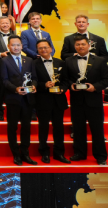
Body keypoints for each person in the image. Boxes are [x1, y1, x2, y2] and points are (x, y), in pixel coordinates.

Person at [64, 34, 108, 165]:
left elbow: (106, 80)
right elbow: (66, 79)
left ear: (89, 45)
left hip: (94, 101)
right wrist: (71, 86)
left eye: (83, 44)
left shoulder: (100, 60)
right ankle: (79, 153)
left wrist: (95, 87)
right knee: (78, 129)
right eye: (77, 44)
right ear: (74, 46)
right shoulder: (68, 61)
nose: (80, 46)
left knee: (97, 130)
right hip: (77, 100)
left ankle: (101, 156)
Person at [0, 35, 39, 165]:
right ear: (8, 46)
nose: (16, 47)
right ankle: (16, 154)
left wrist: (34, 86)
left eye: (18, 45)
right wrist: (15, 89)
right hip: (13, 98)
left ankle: (25, 153)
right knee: (12, 127)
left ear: (22, 46)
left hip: (28, 99)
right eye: (13, 45)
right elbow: (4, 80)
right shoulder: (4, 61)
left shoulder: (29, 60)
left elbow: (34, 78)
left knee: (26, 127)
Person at [34, 39, 69, 163]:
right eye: (40, 48)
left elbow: (66, 81)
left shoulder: (61, 62)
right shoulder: (34, 64)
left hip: (58, 100)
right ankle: (44, 152)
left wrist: (62, 89)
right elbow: (33, 81)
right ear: (37, 50)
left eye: (45, 47)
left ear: (51, 48)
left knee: (58, 128)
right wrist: (44, 85)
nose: (43, 50)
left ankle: (59, 153)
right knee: (43, 128)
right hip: (42, 100)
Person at [0, 16, 15, 120]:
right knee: (0, 89)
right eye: (3, 23)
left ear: (10, 24)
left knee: (12, 88)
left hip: (14, 67)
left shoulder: (15, 36)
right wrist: (0, 54)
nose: (5, 25)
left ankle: (13, 112)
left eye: (7, 23)